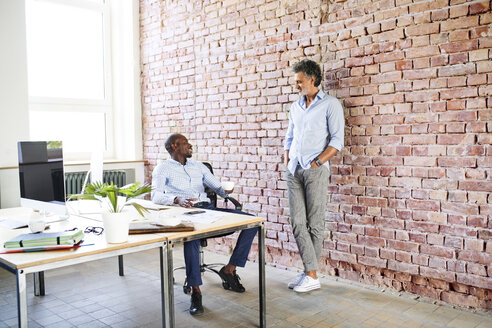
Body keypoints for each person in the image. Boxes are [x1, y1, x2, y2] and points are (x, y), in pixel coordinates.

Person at [151, 133, 257, 315]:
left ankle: (229, 269)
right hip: (185, 212)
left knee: (253, 223)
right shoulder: (163, 168)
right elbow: (156, 196)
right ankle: (196, 290)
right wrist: (176, 199)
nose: (190, 145)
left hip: (208, 210)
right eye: (185, 143)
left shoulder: (198, 166)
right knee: (191, 237)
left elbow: (217, 186)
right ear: (174, 146)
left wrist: (226, 191)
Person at [284, 59, 344, 293]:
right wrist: (287, 159)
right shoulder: (296, 106)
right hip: (294, 169)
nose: (296, 86)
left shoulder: (331, 105)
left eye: (299, 81)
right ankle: (310, 272)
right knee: (297, 222)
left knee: (315, 223)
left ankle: (310, 274)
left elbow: (337, 141)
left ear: (312, 79)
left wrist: (318, 162)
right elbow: (290, 136)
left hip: (316, 169)